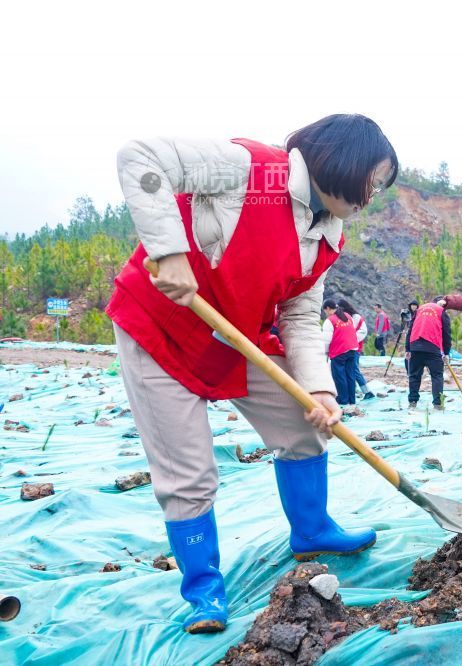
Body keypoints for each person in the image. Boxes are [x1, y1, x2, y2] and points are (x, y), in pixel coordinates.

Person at [105, 113, 397, 633]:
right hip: (162, 330)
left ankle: (312, 531)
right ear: (343, 162)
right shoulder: (252, 172)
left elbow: (302, 319)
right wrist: (169, 252)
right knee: (190, 473)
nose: (371, 195)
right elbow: (141, 158)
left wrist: (319, 389)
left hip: (234, 335)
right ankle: (204, 591)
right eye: (371, 180)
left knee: (306, 423)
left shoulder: (329, 234)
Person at [406, 298, 451, 409]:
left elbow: (410, 329)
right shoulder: (441, 311)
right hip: (433, 347)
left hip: (415, 346)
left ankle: (412, 403)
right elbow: (446, 334)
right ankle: (437, 404)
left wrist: (408, 349)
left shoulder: (419, 309)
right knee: (437, 376)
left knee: (414, 376)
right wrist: (446, 353)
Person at [323, 299, 361, 406]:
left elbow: (326, 340)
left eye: (325, 311)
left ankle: (343, 401)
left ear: (328, 309)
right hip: (352, 349)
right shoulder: (348, 316)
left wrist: (325, 353)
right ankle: (352, 401)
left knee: (340, 377)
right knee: (350, 375)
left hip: (339, 351)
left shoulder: (330, 321)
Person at [338, 298, 374, 400]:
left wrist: (350, 341)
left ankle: (367, 391)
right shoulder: (346, 317)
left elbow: (360, 332)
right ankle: (353, 390)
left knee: (354, 370)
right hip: (347, 348)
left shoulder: (356, 317)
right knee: (350, 370)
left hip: (354, 348)